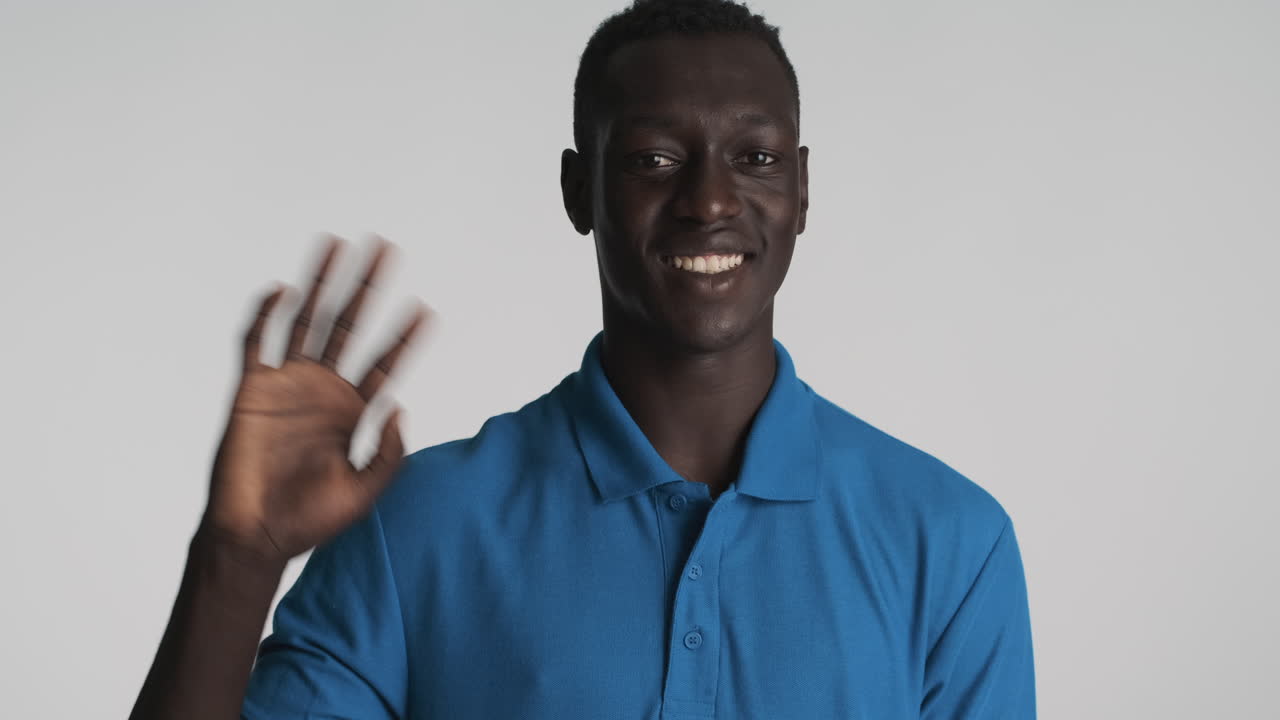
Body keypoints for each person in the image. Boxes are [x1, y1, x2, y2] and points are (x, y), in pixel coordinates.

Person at [130, 0, 1035, 717]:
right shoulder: (412, 528)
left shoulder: (951, 542)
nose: (709, 199)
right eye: (653, 159)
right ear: (579, 190)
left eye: (755, 156)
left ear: (801, 191)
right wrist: (237, 558)